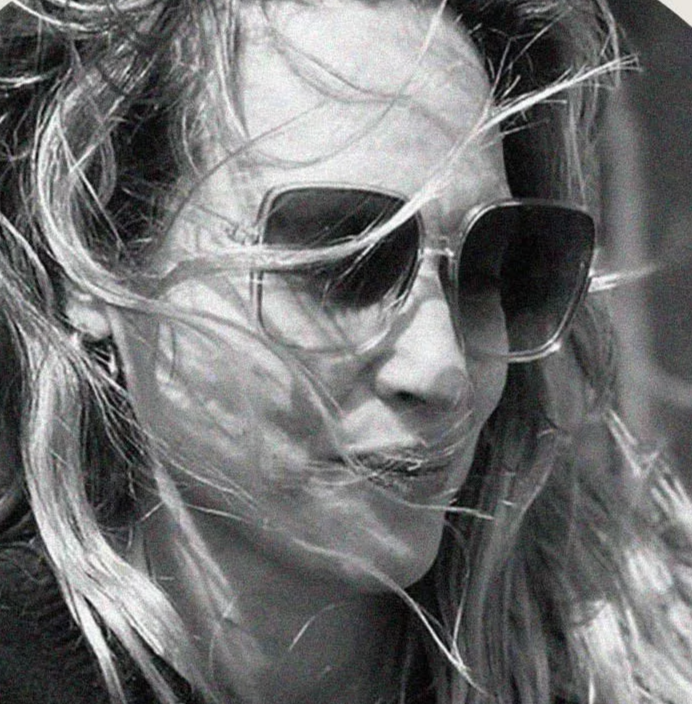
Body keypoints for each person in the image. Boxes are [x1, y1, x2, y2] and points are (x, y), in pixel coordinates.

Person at [0, 0, 690, 702]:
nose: (443, 370)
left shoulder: (625, 670)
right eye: (345, 260)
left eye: (494, 263)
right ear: (97, 258)